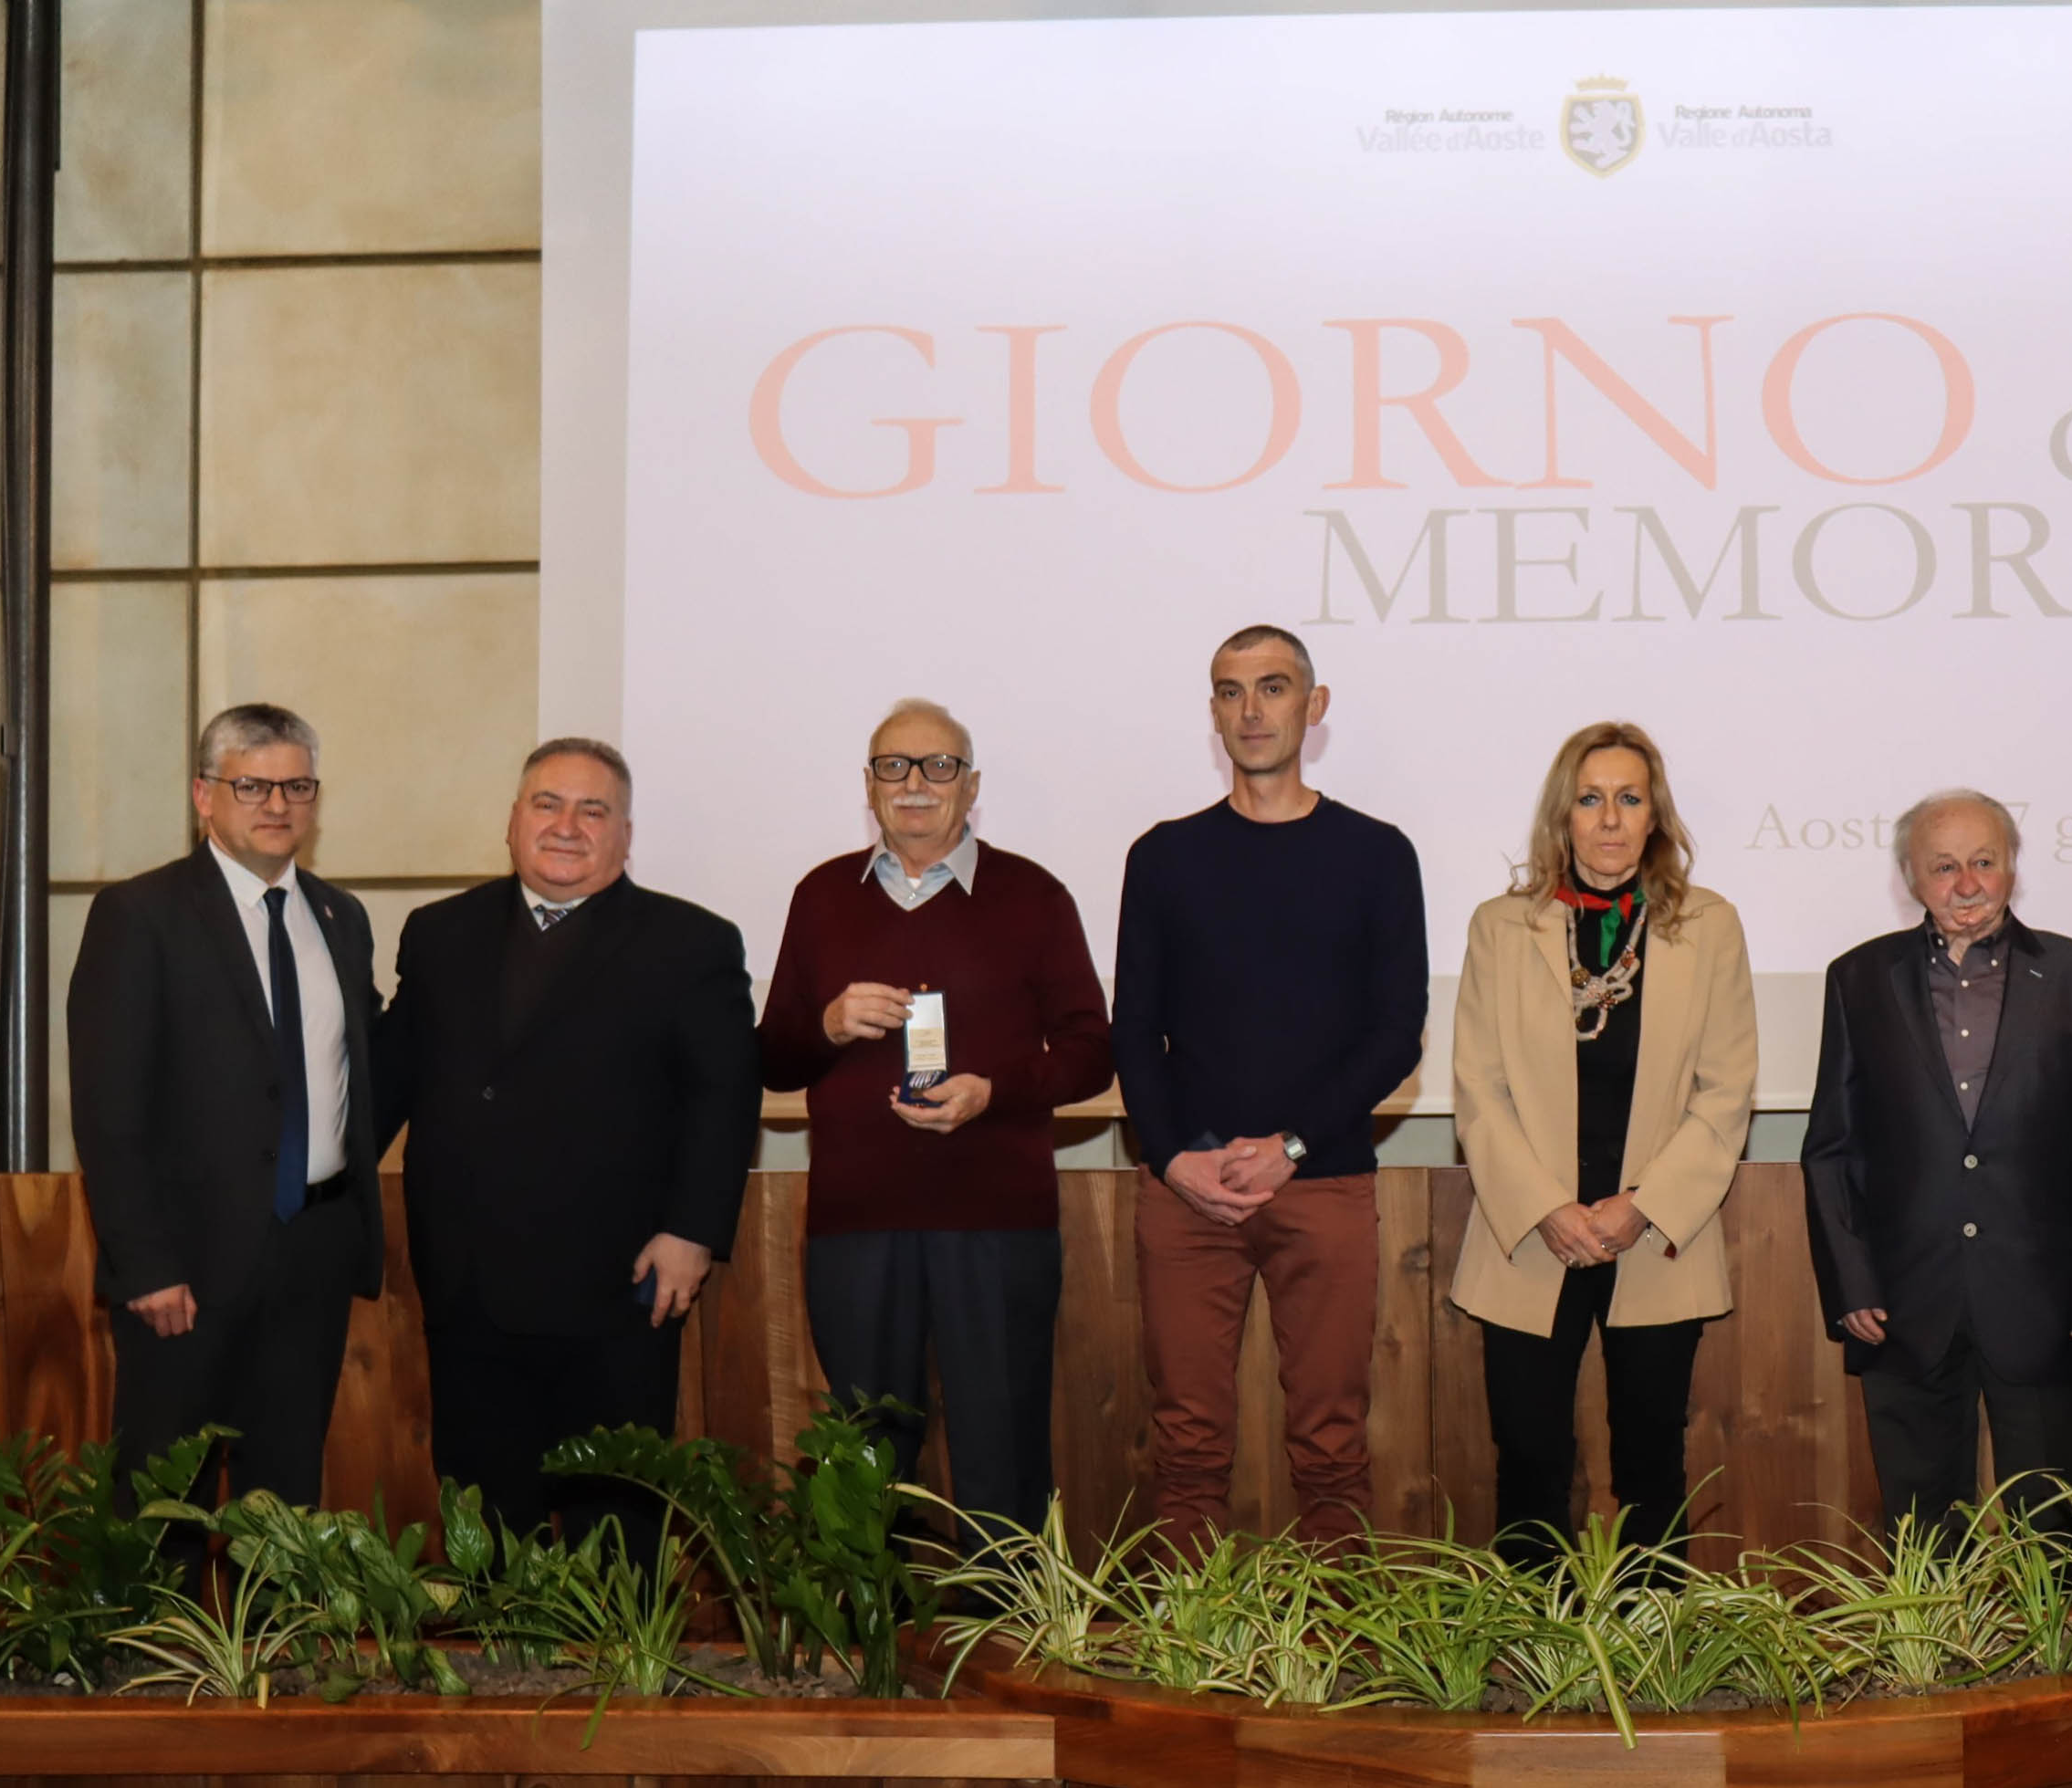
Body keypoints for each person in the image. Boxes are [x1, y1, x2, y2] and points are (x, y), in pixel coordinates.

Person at [374, 738, 759, 1538]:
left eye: (593, 810)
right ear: (513, 820)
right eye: (547, 804)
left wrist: (692, 1231)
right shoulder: (440, 933)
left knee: (613, 1524)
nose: (566, 825)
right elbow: (386, 1084)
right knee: (483, 1521)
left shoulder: (691, 943)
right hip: (469, 1287)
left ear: (625, 834)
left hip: (618, 1287)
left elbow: (723, 1099)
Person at [756, 699, 1113, 1530]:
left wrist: (995, 1091)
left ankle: (1007, 1614)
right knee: (863, 1458)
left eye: (938, 765)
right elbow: (772, 1059)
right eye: (894, 766)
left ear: (971, 786)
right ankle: (875, 1616)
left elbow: (1092, 1051)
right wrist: (827, 1024)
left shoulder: (1034, 895)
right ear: (869, 785)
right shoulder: (821, 896)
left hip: (997, 1222)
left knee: (1002, 1454)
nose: (914, 782)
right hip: (855, 1223)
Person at [1112, 624, 1427, 1550]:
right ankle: (1188, 1638)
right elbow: (1134, 1028)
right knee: (1185, 1444)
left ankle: (1337, 1634)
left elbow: (1395, 1033)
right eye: (1230, 691)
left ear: (1313, 706)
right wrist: (1173, 1158)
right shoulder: (1163, 856)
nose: (1251, 709)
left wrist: (1290, 1145)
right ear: (1213, 712)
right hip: (1187, 1190)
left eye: (1274, 687)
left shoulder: (1377, 853)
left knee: (1332, 1445)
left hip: (1323, 1179)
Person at [1449, 723, 1757, 1568]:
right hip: (1529, 1234)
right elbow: (1478, 1088)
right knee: (1529, 1463)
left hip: (1654, 1235)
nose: (1610, 818)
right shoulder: (1501, 927)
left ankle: (1653, 1643)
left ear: (1655, 814)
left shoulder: (1709, 925)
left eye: (1628, 798)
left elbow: (1726, 1090)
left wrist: (1642, 1207)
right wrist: (1546, 1206)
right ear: (1564, 814)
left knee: (1653, 1467)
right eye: (1590, 799)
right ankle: (1530, 1640)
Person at [67, 704, 386, 1509]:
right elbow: (108, 1110)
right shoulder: (139, 915)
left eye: (296, 786)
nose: (277, 804)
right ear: (203, 795)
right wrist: (145, 1265)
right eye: (252, 786)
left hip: (313, 1255)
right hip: (185, 1268)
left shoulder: (341, 918)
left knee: (286, 1497)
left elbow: (361, 1070)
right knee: (163, 1498)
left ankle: (277, 1605)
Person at [1803, 790, 2072, 1535]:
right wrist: (1850, 1282)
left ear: (2012, 866)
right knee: (1920, 1535)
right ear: (1910, 878)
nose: (1967, 884)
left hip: (2045, 1307)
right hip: (1900, 1307)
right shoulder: (1857, 979)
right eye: (1944, 866)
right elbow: (1831, 1148)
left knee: (2048, 1534)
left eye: (1984, 862)